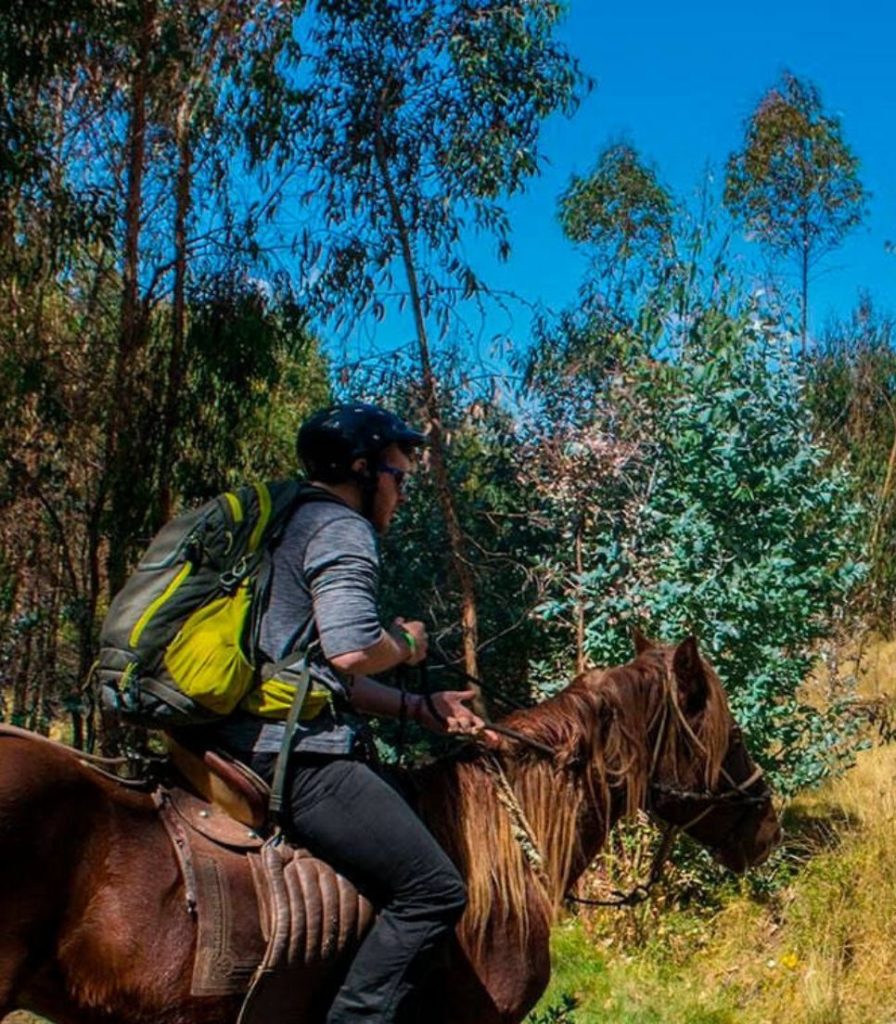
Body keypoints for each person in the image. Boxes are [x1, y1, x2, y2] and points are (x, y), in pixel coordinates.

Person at [212, 402, 488, 1024]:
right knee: (433, 890)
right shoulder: (339, 526)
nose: (402, 491)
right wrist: (408, 645)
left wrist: (418, 706)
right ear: (361, 470)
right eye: (399, 475)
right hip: (295, 755)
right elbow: (354, 648)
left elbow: (319, 674)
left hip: (232, 732)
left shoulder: (280, 522)